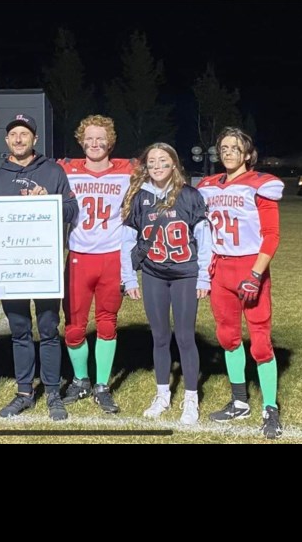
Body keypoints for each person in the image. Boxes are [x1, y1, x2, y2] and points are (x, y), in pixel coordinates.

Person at [0, 113, 78, 420]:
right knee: (20, 330)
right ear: (7, 140)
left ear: (34, 139)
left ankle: (52, 392)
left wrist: (49, 199)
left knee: (49, 329)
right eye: (14, 135)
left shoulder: (53, 171)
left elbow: (71, 209)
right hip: (11, 266)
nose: (19, 139)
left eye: (25, 134)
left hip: (44, 265)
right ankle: (24, 391)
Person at [196, 127, 285, 439]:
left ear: (248, 154)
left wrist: (257, 273)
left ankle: (270, 407)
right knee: (228, 337)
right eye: (223, 147)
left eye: (235, 147)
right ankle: (239, 401)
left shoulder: (260, 185)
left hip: (249, 267)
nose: (228, 152)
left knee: (260, 340)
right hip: (221, 267)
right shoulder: (208, 186)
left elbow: (272, 235)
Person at [120, 142, 211, 425]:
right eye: (151, 162)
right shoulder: (138, 197)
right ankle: (162, 394)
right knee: (159, 336)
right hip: (153, 273)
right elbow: (126, 241)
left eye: (163, 160)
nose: (157, 166)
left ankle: (191, 398)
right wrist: (127, 276)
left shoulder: (190, 195)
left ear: (174, 164)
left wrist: (204, 275)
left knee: (184, 336)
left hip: (185, 273)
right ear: (145, 167)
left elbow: (204, 238)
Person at [58, 115, 135, 413]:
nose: (94, 143)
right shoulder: (66, 170)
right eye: (89, 138)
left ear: (110, 141)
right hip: (78, 256)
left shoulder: (129, 170)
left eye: (100, 138)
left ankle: (102, 384)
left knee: (107, 322)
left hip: (112, 257)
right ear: (80, 140)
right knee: (74, 327)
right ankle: (80, 380)